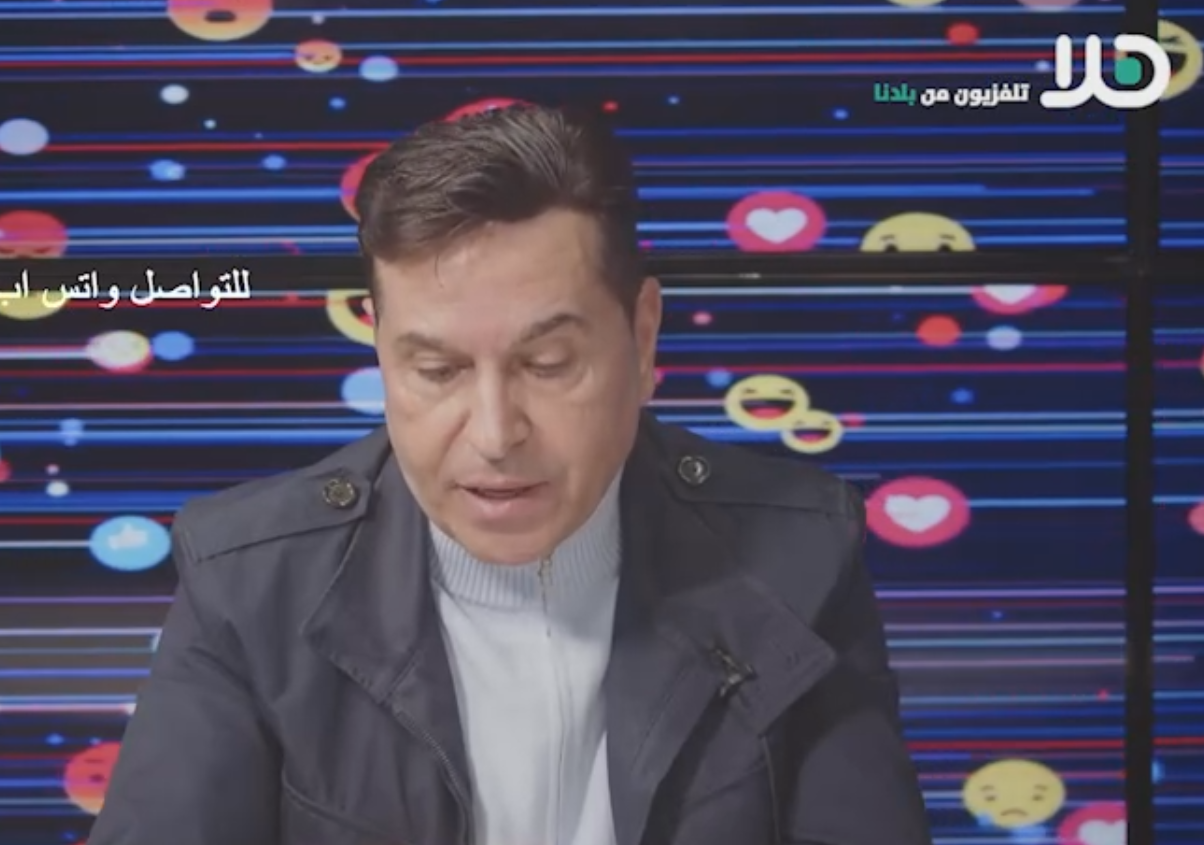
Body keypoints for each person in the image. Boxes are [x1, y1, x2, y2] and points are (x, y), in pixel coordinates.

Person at [88, 105, 932, 845]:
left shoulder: (799, 556)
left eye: (547, 363)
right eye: (436, 370)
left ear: (642, 339)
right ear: (380, 353)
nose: (493, 435)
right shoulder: (247, 580)